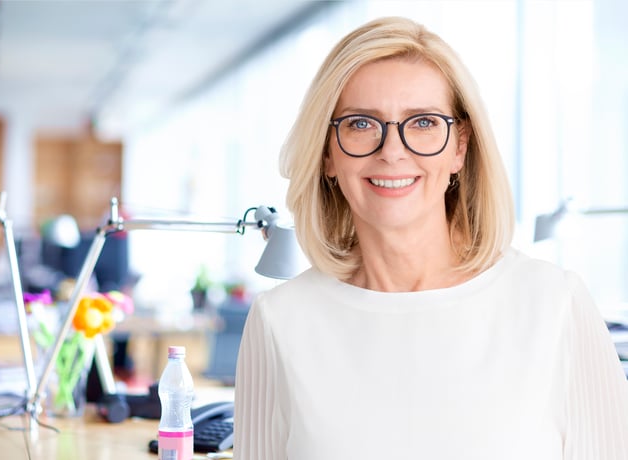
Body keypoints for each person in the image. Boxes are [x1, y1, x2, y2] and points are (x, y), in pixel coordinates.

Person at [234, 16, 628, 460]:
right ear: (326, 153)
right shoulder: (280, 320)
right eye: (362, 124)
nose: (392, 151)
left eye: (422, 122)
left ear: (459, 147)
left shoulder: (554, 304)